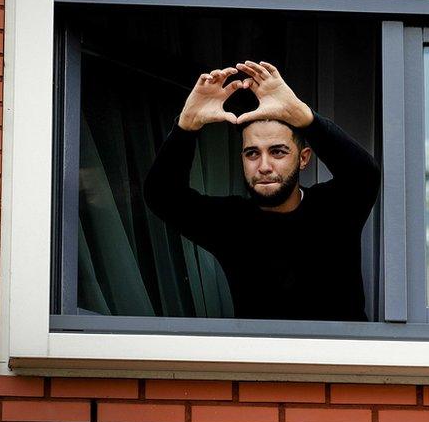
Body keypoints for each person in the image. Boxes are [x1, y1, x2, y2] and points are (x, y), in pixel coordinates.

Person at [144, 61, 380, 321]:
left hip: (342, 357)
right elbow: (162, 195)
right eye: (252, 153)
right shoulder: (232, 223)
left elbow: (363, 174)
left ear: (303, 158)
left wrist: (303, 116)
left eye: (277, 152)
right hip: (259, 359)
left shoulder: (334, 210)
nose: (264, 166)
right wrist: (187, 125)